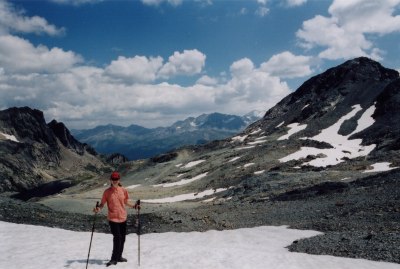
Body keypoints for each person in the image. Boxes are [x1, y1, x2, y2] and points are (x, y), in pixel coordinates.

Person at [94, 171, 140, 267]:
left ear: (119, 180)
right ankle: (113, 259)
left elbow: (126, 202)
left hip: (123, 217)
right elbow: (102, 203)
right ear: (110, 180)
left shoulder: (123, 190)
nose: (115, 181)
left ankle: (119, 257)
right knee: (117, 237)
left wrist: (135, 206)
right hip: (113, 218)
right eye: (113, 179)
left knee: (123, 238)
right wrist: (98, 208)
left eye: (116, 179)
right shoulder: (107, 192)